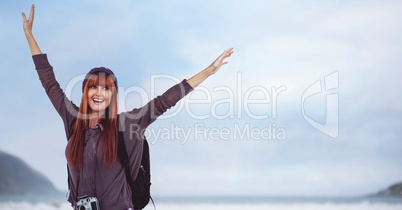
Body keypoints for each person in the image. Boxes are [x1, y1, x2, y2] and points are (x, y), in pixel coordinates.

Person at [22, 4, 233, 210]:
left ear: (113, 95)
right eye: (93, 87)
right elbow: (49, 82)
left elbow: (164, 101)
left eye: (106, 89)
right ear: (85, 92)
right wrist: (30, 36)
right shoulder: (74, 121)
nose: (98, 93)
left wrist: (209, 71)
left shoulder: (127, 124)